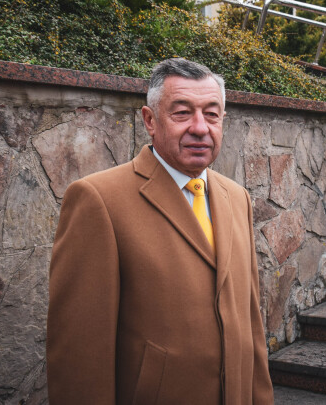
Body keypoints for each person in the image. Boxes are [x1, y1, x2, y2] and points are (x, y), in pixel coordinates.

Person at [46, 58, 274, 404]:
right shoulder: (98, 200)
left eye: (212, 114)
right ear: (150, 120)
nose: (200, 128)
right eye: (182, 113)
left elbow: (250, 324)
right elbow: (80, 354)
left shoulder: (237, 197)